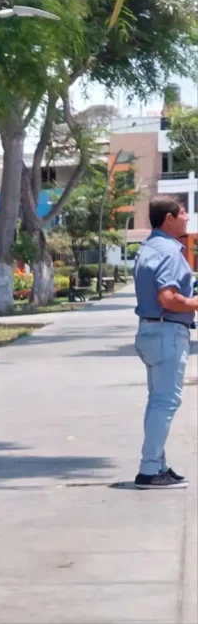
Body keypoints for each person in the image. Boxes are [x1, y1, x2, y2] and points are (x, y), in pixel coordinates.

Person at [131, 195, 194, 490]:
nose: (187, 217)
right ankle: (148, 469)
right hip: (168, 332)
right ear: (168, 218)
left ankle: (158, 464)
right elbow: (168, 298)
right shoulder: (170, 252)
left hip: (150, 332)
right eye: (182, 213)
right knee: (166, 402)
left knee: (157, 400)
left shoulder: (149, 248)